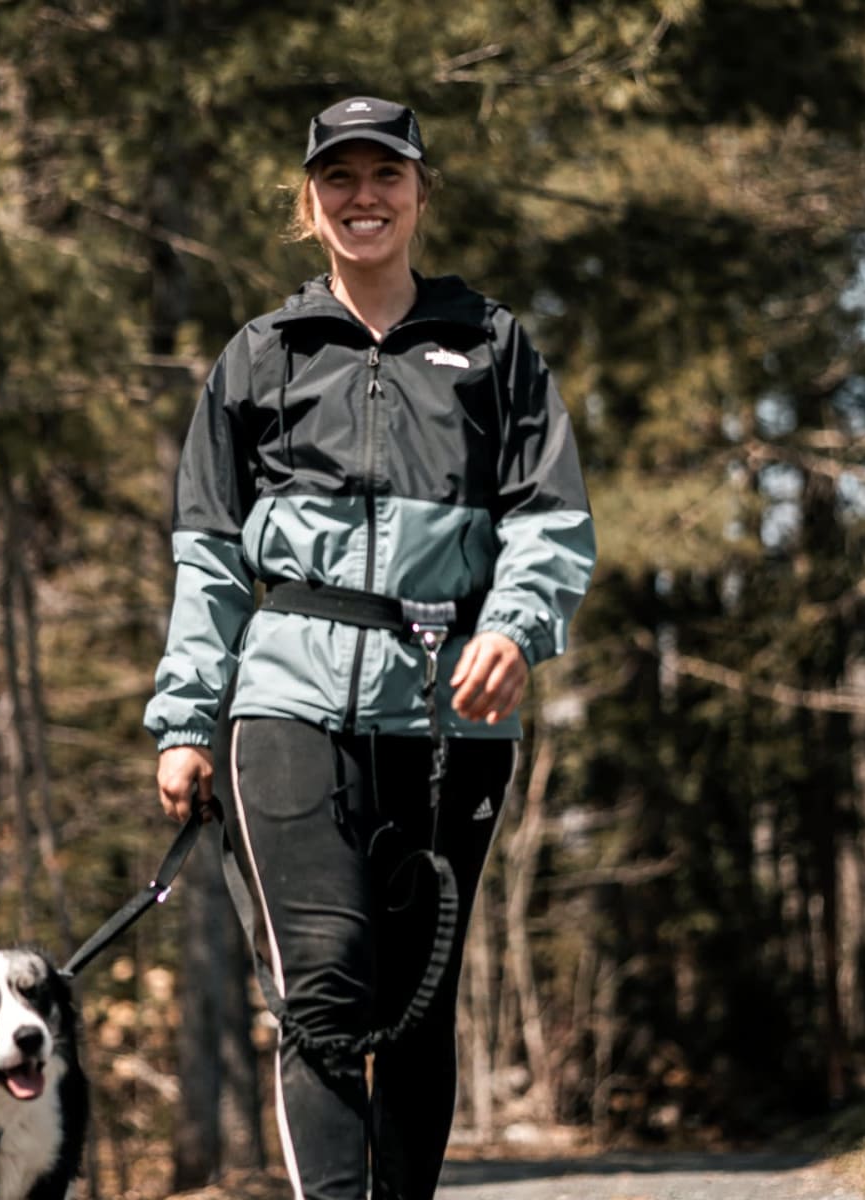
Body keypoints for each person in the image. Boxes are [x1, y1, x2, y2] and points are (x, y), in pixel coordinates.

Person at [144, 96, 595, 1200]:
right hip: (286, 707)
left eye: (384, 175)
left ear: (419, 192)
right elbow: (208, 555)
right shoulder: (262, 356)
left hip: (452, 718)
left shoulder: (494, 347)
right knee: (328, 992)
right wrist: (186, 721)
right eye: (338, 178)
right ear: (310, 202)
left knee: (417, 1004)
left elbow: (550, 519)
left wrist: (513, 626)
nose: (363, 197)